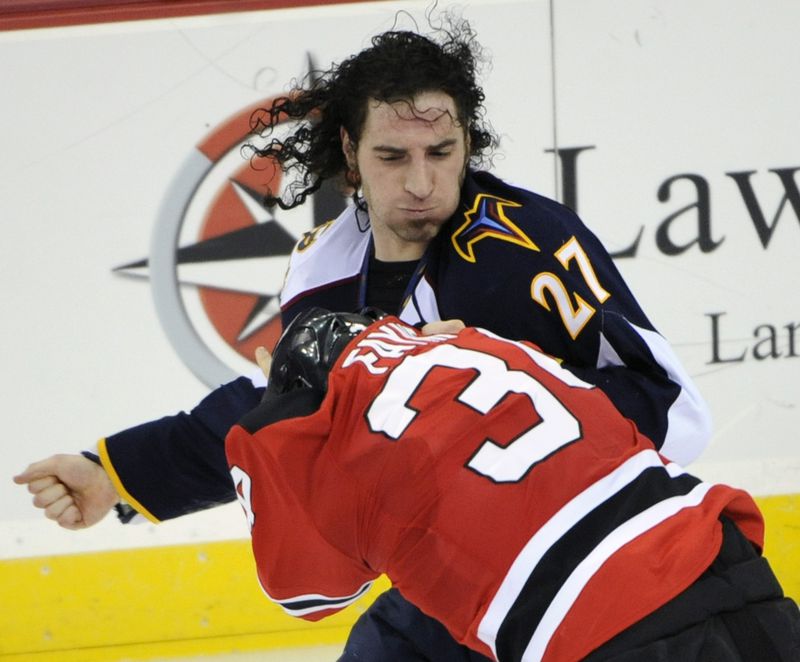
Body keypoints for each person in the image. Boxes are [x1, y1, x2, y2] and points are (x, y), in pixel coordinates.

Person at [14, 16, 715, 661]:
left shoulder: (526, 249)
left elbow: (673, 409)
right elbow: (288, 414)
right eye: (391, 156)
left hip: (598, 557)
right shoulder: (324, 267)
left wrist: (511, 369)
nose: (421, 183)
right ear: (350, 152)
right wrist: (117, 475)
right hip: (450, 570)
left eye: (442, 151)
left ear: (469, 141)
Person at [224, 307, 800, 661]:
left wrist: (277, 432)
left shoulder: (332, 437)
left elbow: (309, 594)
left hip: (602, 626)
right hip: (721, 556)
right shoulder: (479, 341)